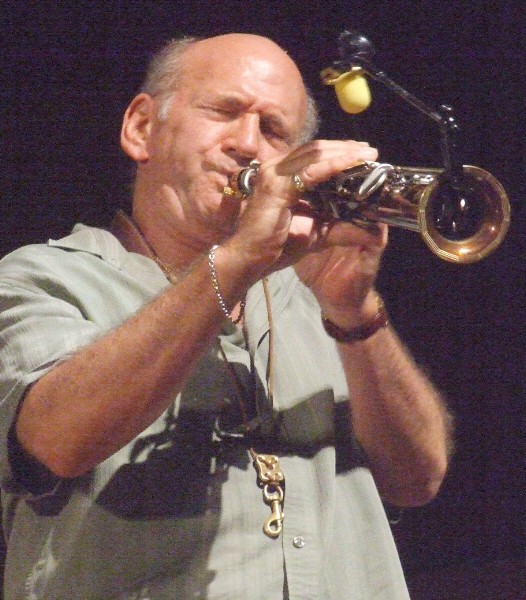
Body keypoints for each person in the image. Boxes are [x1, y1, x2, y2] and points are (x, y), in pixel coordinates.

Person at [0, 33, 451, 599]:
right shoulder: (42, 277)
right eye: (225, 113)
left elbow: (418, 480)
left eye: (274, 132)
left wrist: (354, 310)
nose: (248, 145)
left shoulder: (315, 297)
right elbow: (55, 440)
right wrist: (236, 262)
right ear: (141, 128)